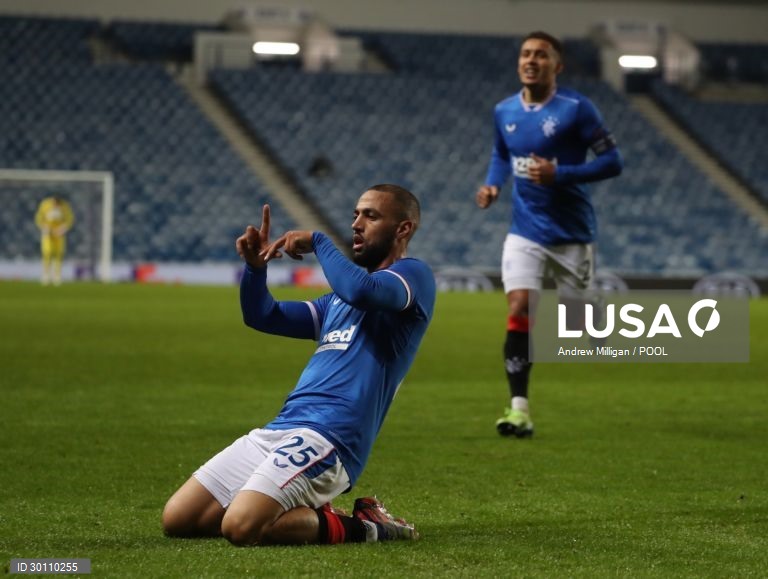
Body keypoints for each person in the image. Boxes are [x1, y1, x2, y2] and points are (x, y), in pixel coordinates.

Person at [162, 184, 436, 546]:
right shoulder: (334, 304)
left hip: (332, 438)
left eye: (370, 215)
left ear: (403, 229)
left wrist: (320, 241)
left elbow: (364, 291)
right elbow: (264, 316)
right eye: (355, 214)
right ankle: (306, 511)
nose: (356, 223)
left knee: (240, 527)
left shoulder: (413, 277)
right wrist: (255, 270)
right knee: (180, 518)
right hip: (282, 428)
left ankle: (371, 527)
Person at [475, 31, 623, 438]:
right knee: (521, 306)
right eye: (525, 53)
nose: (531, 60)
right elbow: (501, 153)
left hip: (573, 233)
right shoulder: (504, 110)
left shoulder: (577, 109)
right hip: (525, 230)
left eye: (541, 55)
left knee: (580, 324)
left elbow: (614, 161)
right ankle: (519, 408)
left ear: (557, 66)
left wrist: (563, 173)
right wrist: (493, 185)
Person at [34, 195, 74, 286]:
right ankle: (46, 275)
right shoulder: (45, 205)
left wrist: (62, 229)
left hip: (59, 234)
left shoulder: (65, 206)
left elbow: (69, 219)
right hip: (48, 233)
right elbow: (39, 218)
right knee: (47, 253)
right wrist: (44, 228)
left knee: (58, 254)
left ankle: (57, 276)